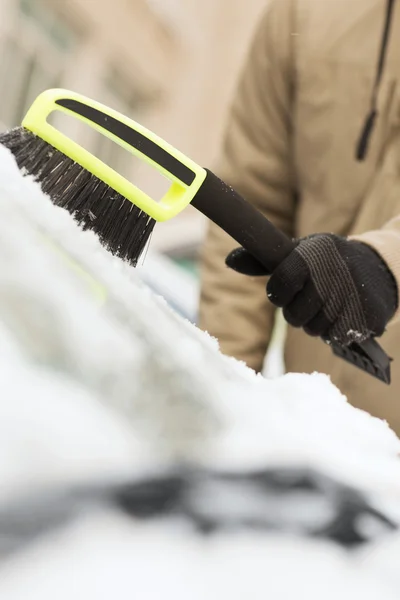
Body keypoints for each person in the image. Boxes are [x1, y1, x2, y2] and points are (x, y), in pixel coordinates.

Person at [198, 0, 400, 434]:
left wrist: (387, 264)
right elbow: (250, 206)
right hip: (311, 432)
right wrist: (222, 399)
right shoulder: (302, 12)